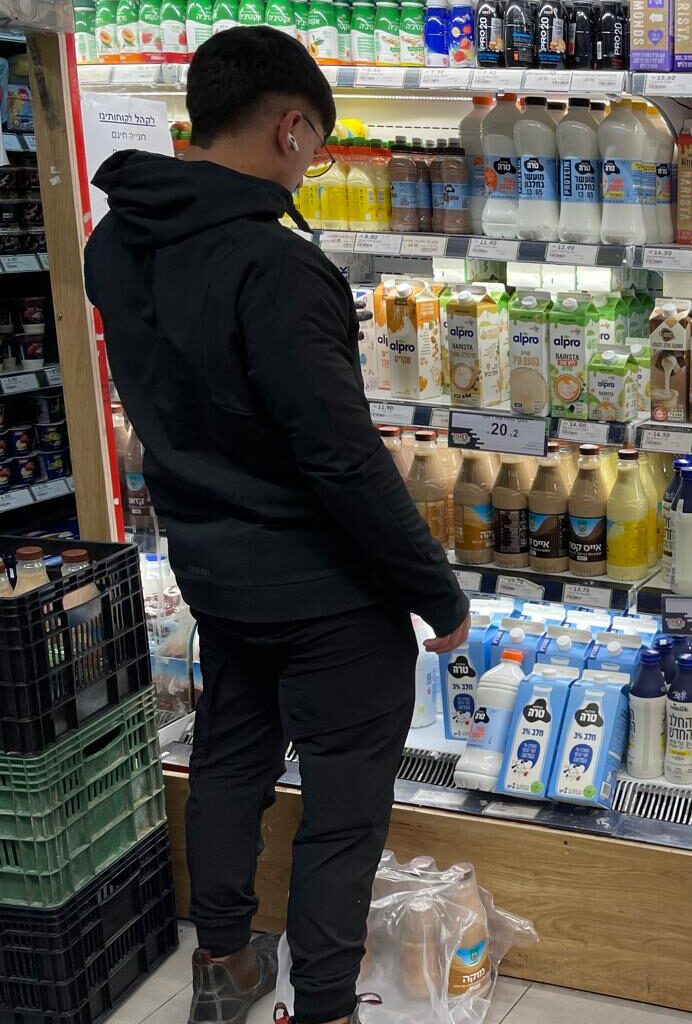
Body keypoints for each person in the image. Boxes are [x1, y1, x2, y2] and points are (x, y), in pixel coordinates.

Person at [82, 28, 469, 1024]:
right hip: (323, 590)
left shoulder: (116, 239)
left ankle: (223, 966)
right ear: (292, 128)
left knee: (229, 762)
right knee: (341, 813)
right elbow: (339, 459)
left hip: (212, 564)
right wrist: (434, 593)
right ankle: (328, 1005)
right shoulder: (278, 266)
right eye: (319, 146)